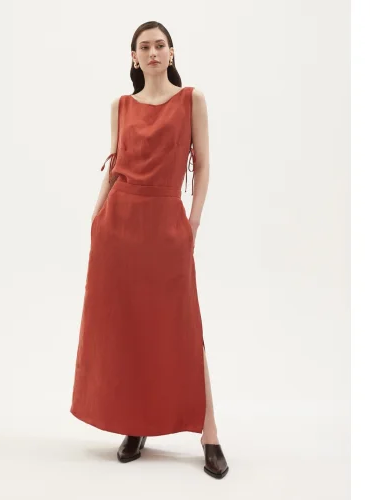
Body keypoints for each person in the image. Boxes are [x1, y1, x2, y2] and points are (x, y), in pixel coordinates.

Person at [70, 21, 229, 479]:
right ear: (134, 58)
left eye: (161, 45)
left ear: (172, 53)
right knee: (128, 329)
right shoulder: (121, 106)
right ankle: (135, 424)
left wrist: (193, 221)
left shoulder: (192, 99)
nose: (153, 52)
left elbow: (204, 164)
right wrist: (97, 219)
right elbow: (113, 166)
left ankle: (210, 433)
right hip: (118, 229)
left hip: (166, 226)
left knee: (183, 328)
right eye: (145, 47)